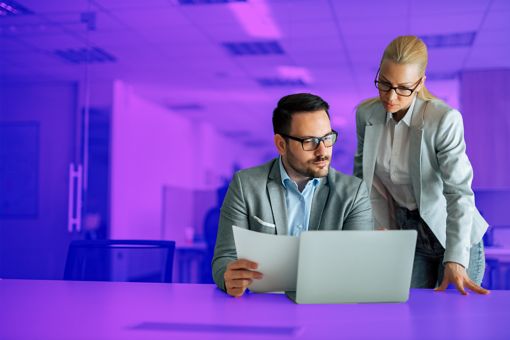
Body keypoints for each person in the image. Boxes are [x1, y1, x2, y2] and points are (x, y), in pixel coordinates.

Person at [354, 36, 489, 295]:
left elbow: (459, 192)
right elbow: (364, 181)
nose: (391, 97)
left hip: (453, 233)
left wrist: (456, 258)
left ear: (420, 84)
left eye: (403, 87)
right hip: (408, 235)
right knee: (410, 317)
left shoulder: (443, 120)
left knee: (454, 320)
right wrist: (372, 231)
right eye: (384, 83)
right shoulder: (367, 116)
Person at [213, 93, 373, 297]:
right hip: (264, 310)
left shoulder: (354, 192)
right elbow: (224, 258)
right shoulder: (246, 185)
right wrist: (228, 278)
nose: (323, 151)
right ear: (281, 144)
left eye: (327, 138)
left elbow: (358, 267)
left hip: (327, 307)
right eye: (310, 141)